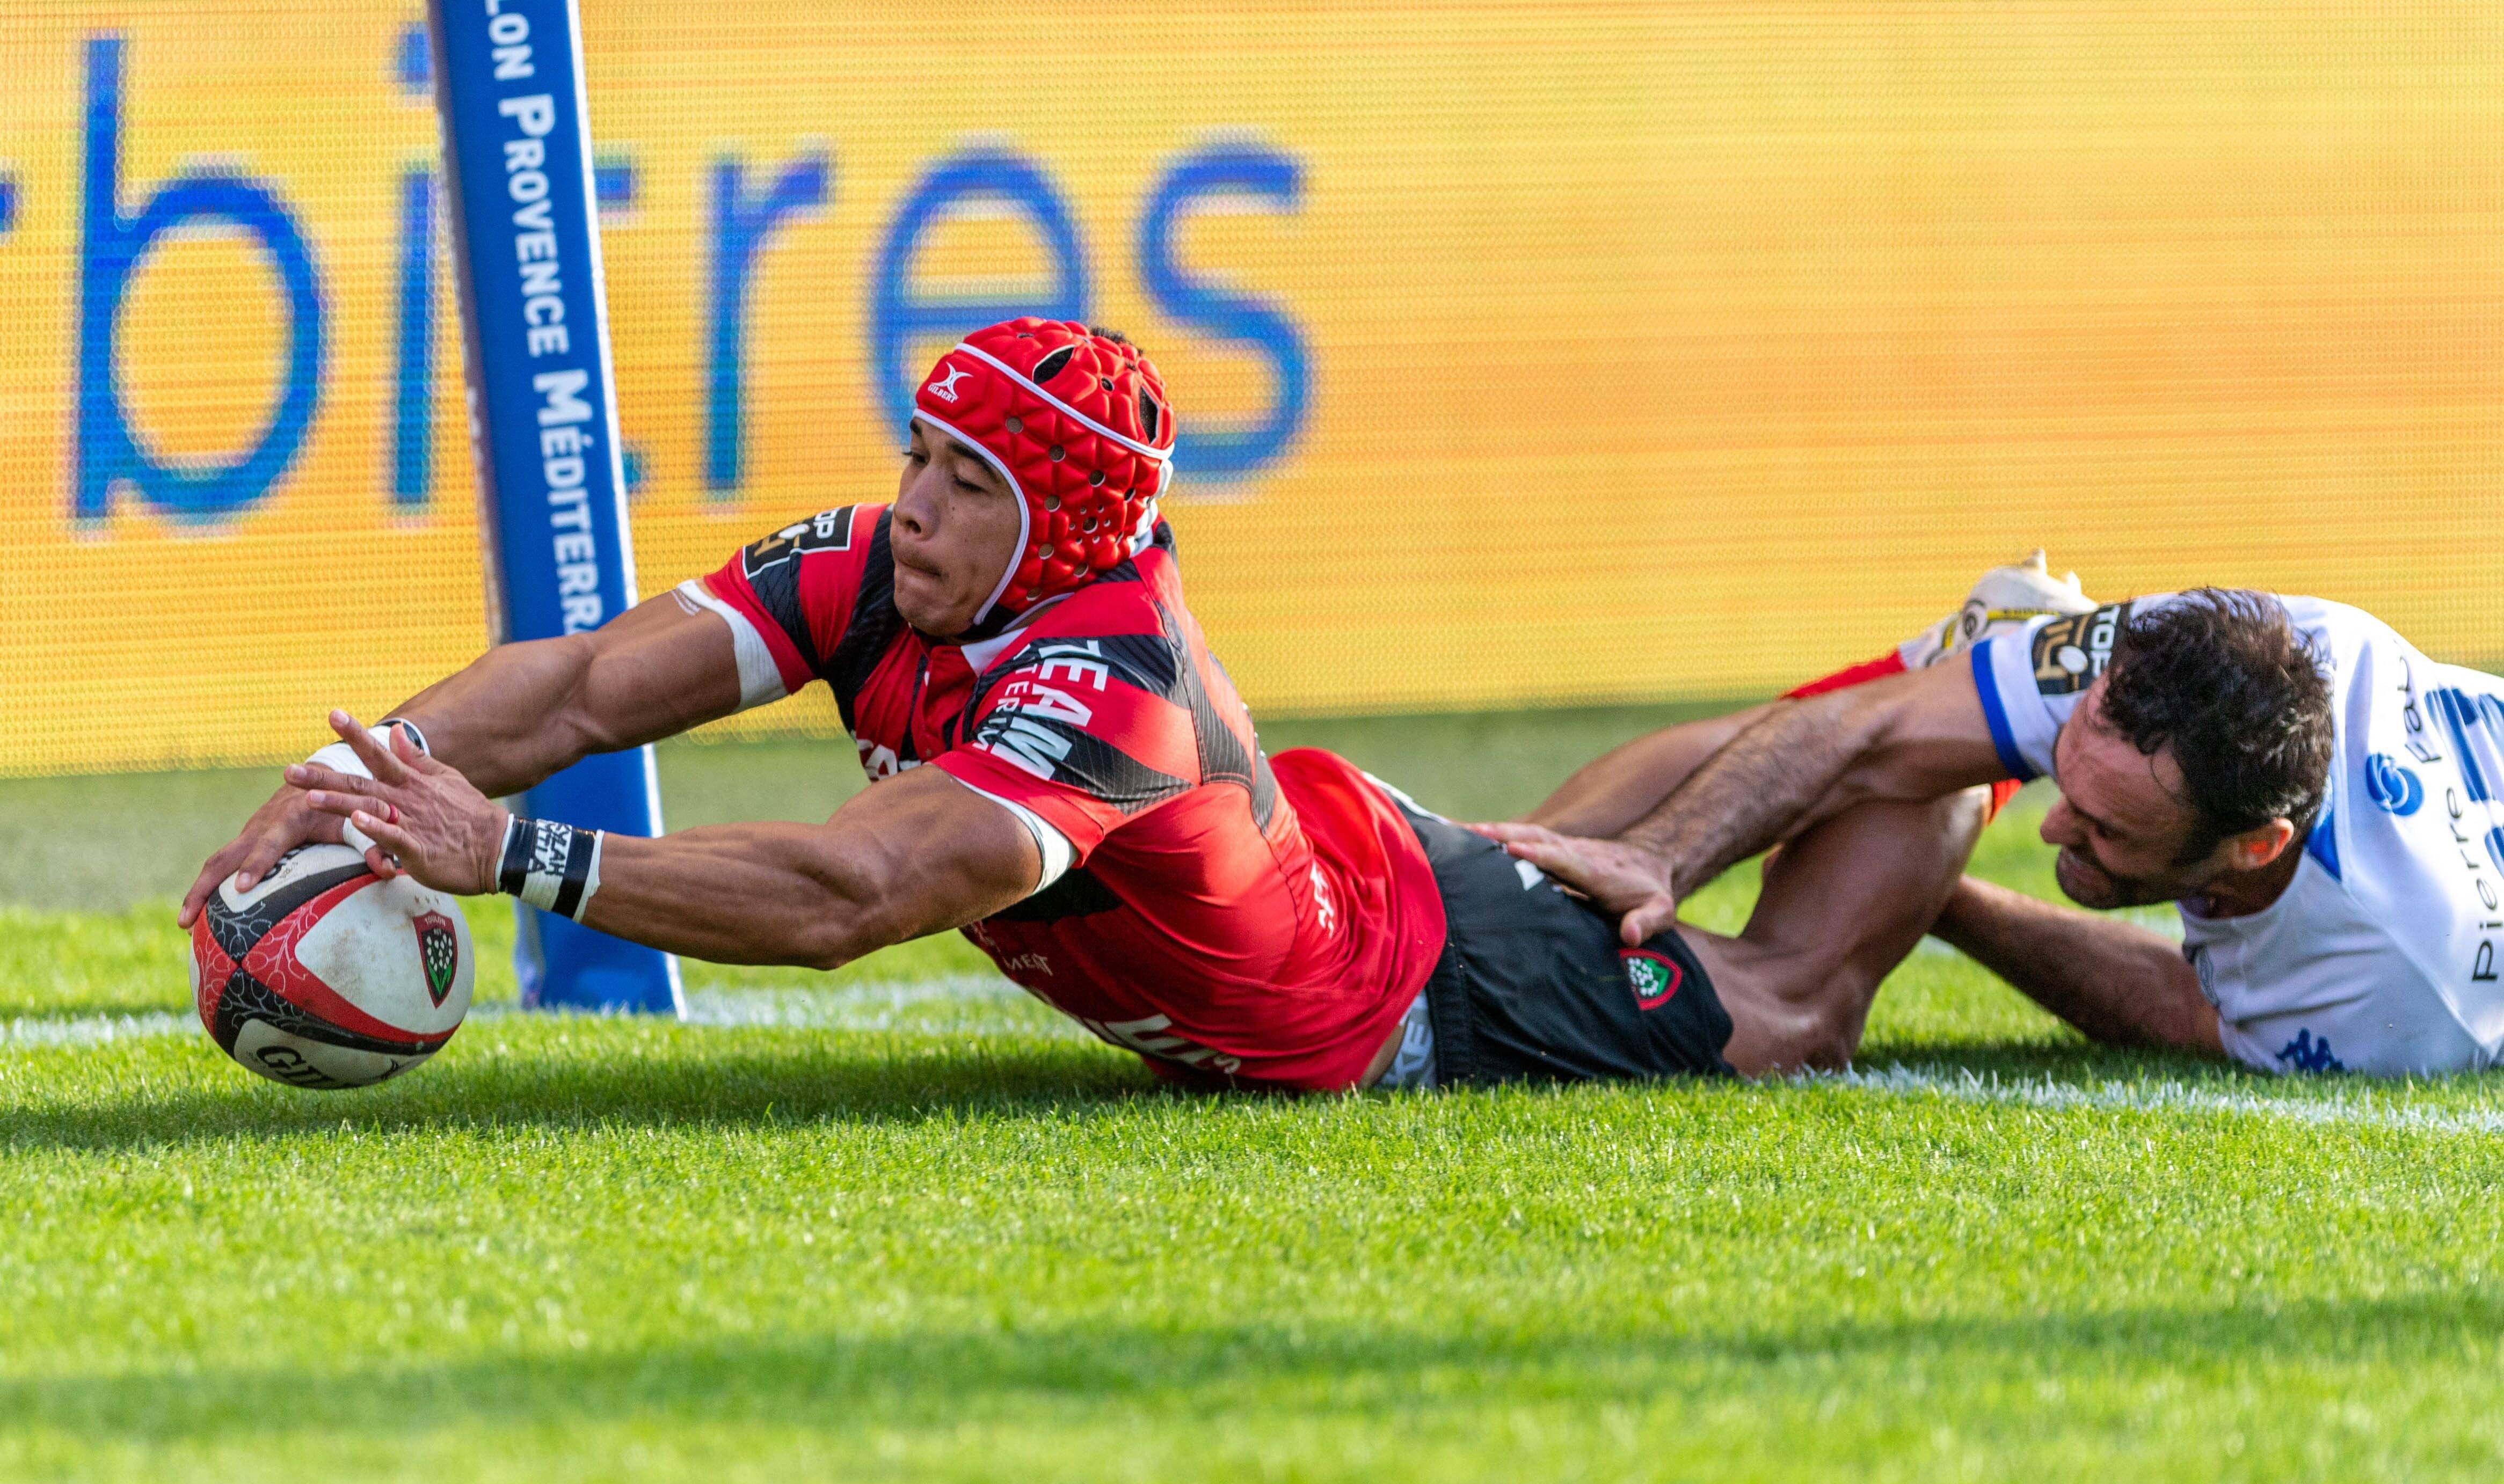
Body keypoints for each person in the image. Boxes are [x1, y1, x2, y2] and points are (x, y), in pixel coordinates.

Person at [180, 319, 1985, 1091]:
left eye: (968, 483)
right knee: (1571, 851)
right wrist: (347, 783)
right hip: (1341, 856)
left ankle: (1956, 699)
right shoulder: (876, 565)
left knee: (1794, 1013)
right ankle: (1876, 706)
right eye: (917, 456)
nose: (913, 506)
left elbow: (854, 898)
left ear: (1057, 520)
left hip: (1403, 989)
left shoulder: (1107, 687)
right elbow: (577, 684)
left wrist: (505, 857)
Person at [1480, 587, 2504, 1077]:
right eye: (2064, 772)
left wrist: (1946, 900)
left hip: (2433, 936)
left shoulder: (2390, 987)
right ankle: (1476, 864)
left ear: (2255, 846)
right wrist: (1664, 849)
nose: (2054, 822)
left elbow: (2192, 1013)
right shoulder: (2263, 640)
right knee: (1955, 670)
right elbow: (1874, 726)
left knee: (1802, 1010)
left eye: (2103, 831)